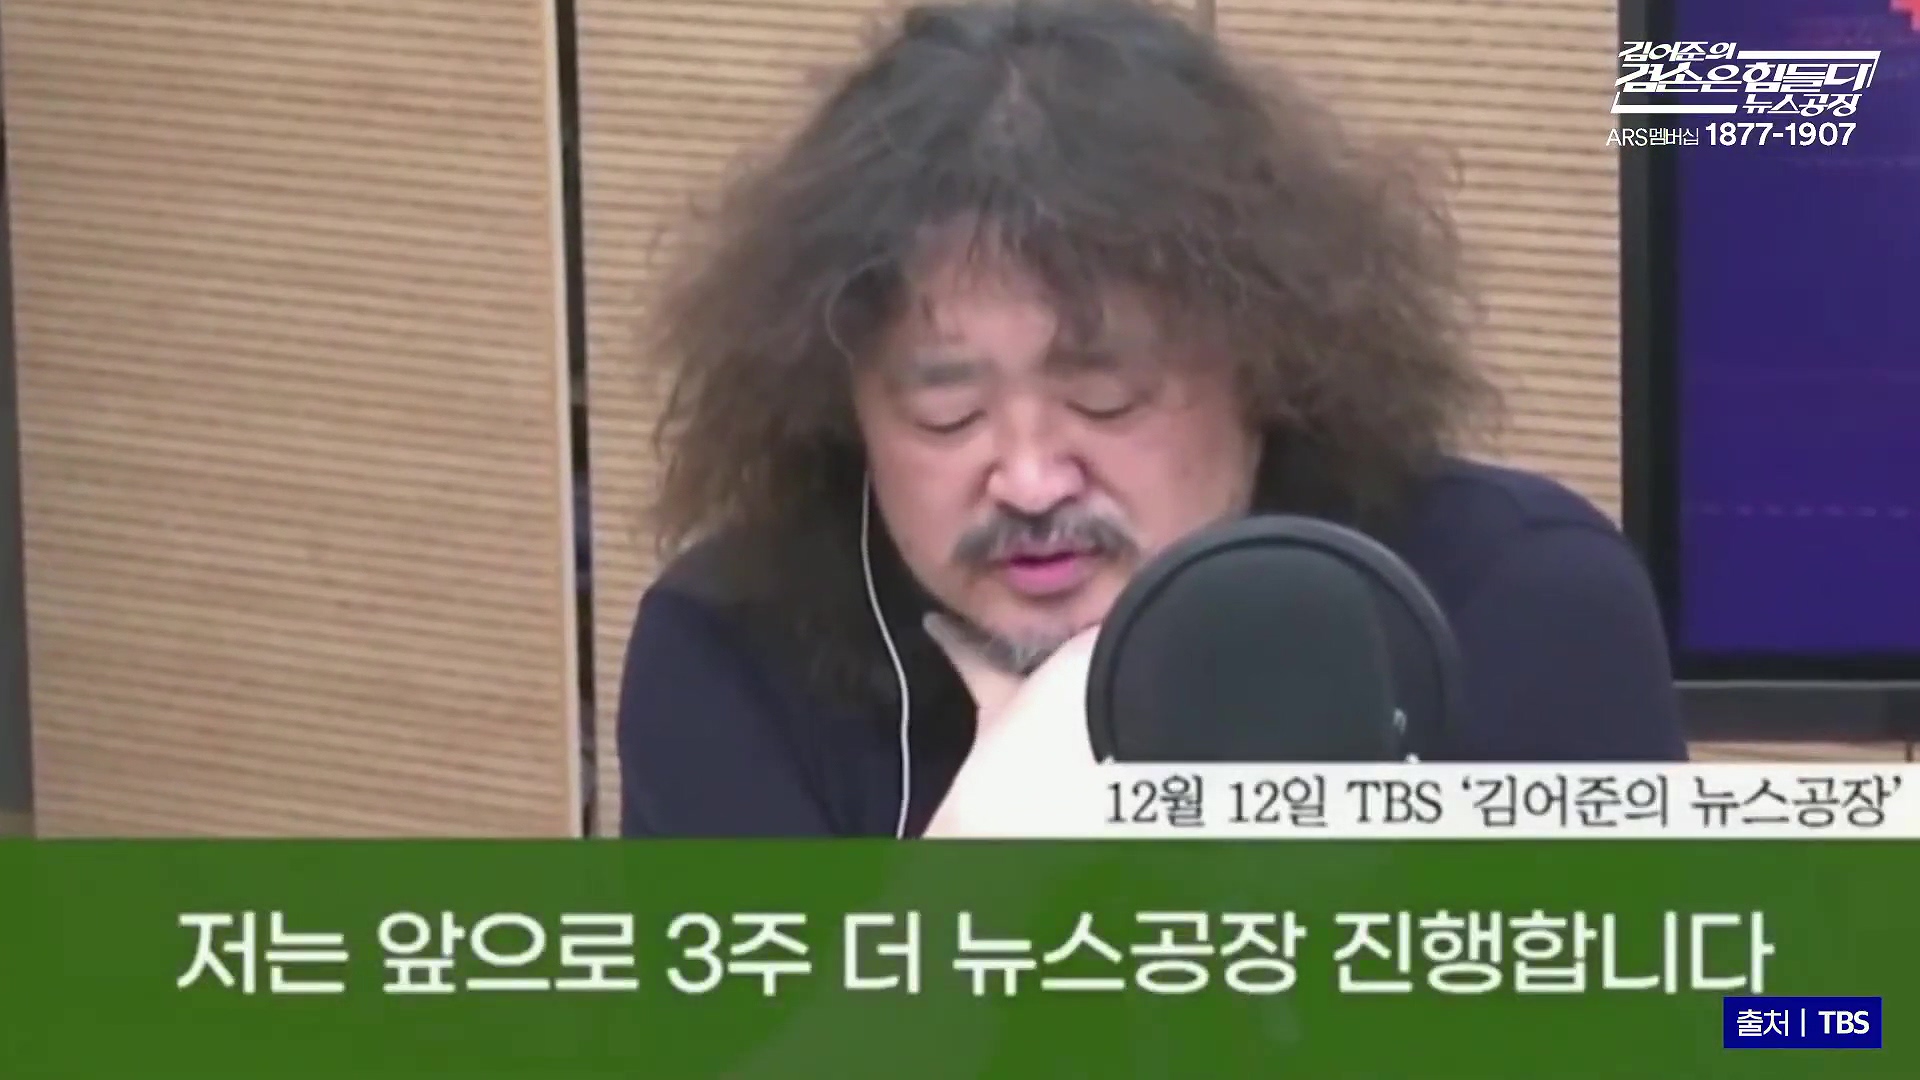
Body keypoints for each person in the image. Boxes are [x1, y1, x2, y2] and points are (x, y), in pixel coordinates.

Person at [616, 0, 1687, 839]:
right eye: (948, 414)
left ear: (1268, 366)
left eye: (1105, 399)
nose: (1030, 481)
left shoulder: (1520, 599)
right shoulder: (730, 649)